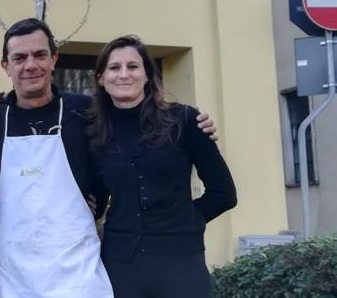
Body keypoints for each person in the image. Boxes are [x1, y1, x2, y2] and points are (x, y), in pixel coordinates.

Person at [0, 18, 217, 297]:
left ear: (54, 58)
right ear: (6, 66)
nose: (30, 65)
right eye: (19, 58)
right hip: (14, 268)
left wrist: (194, 125)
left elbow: (135, 128)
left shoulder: (85, 111)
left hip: (77, 267)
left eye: (40, 54)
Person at [87, 35, 236, 298]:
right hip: (120, 267)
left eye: (133, 66)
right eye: (114, 67)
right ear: (101, 78)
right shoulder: (95, 133)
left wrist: (187, 221)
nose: (123, 74)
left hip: (181, 263)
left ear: (147, 75)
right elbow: (97, 199)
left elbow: (224, 193)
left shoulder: (185, 120)